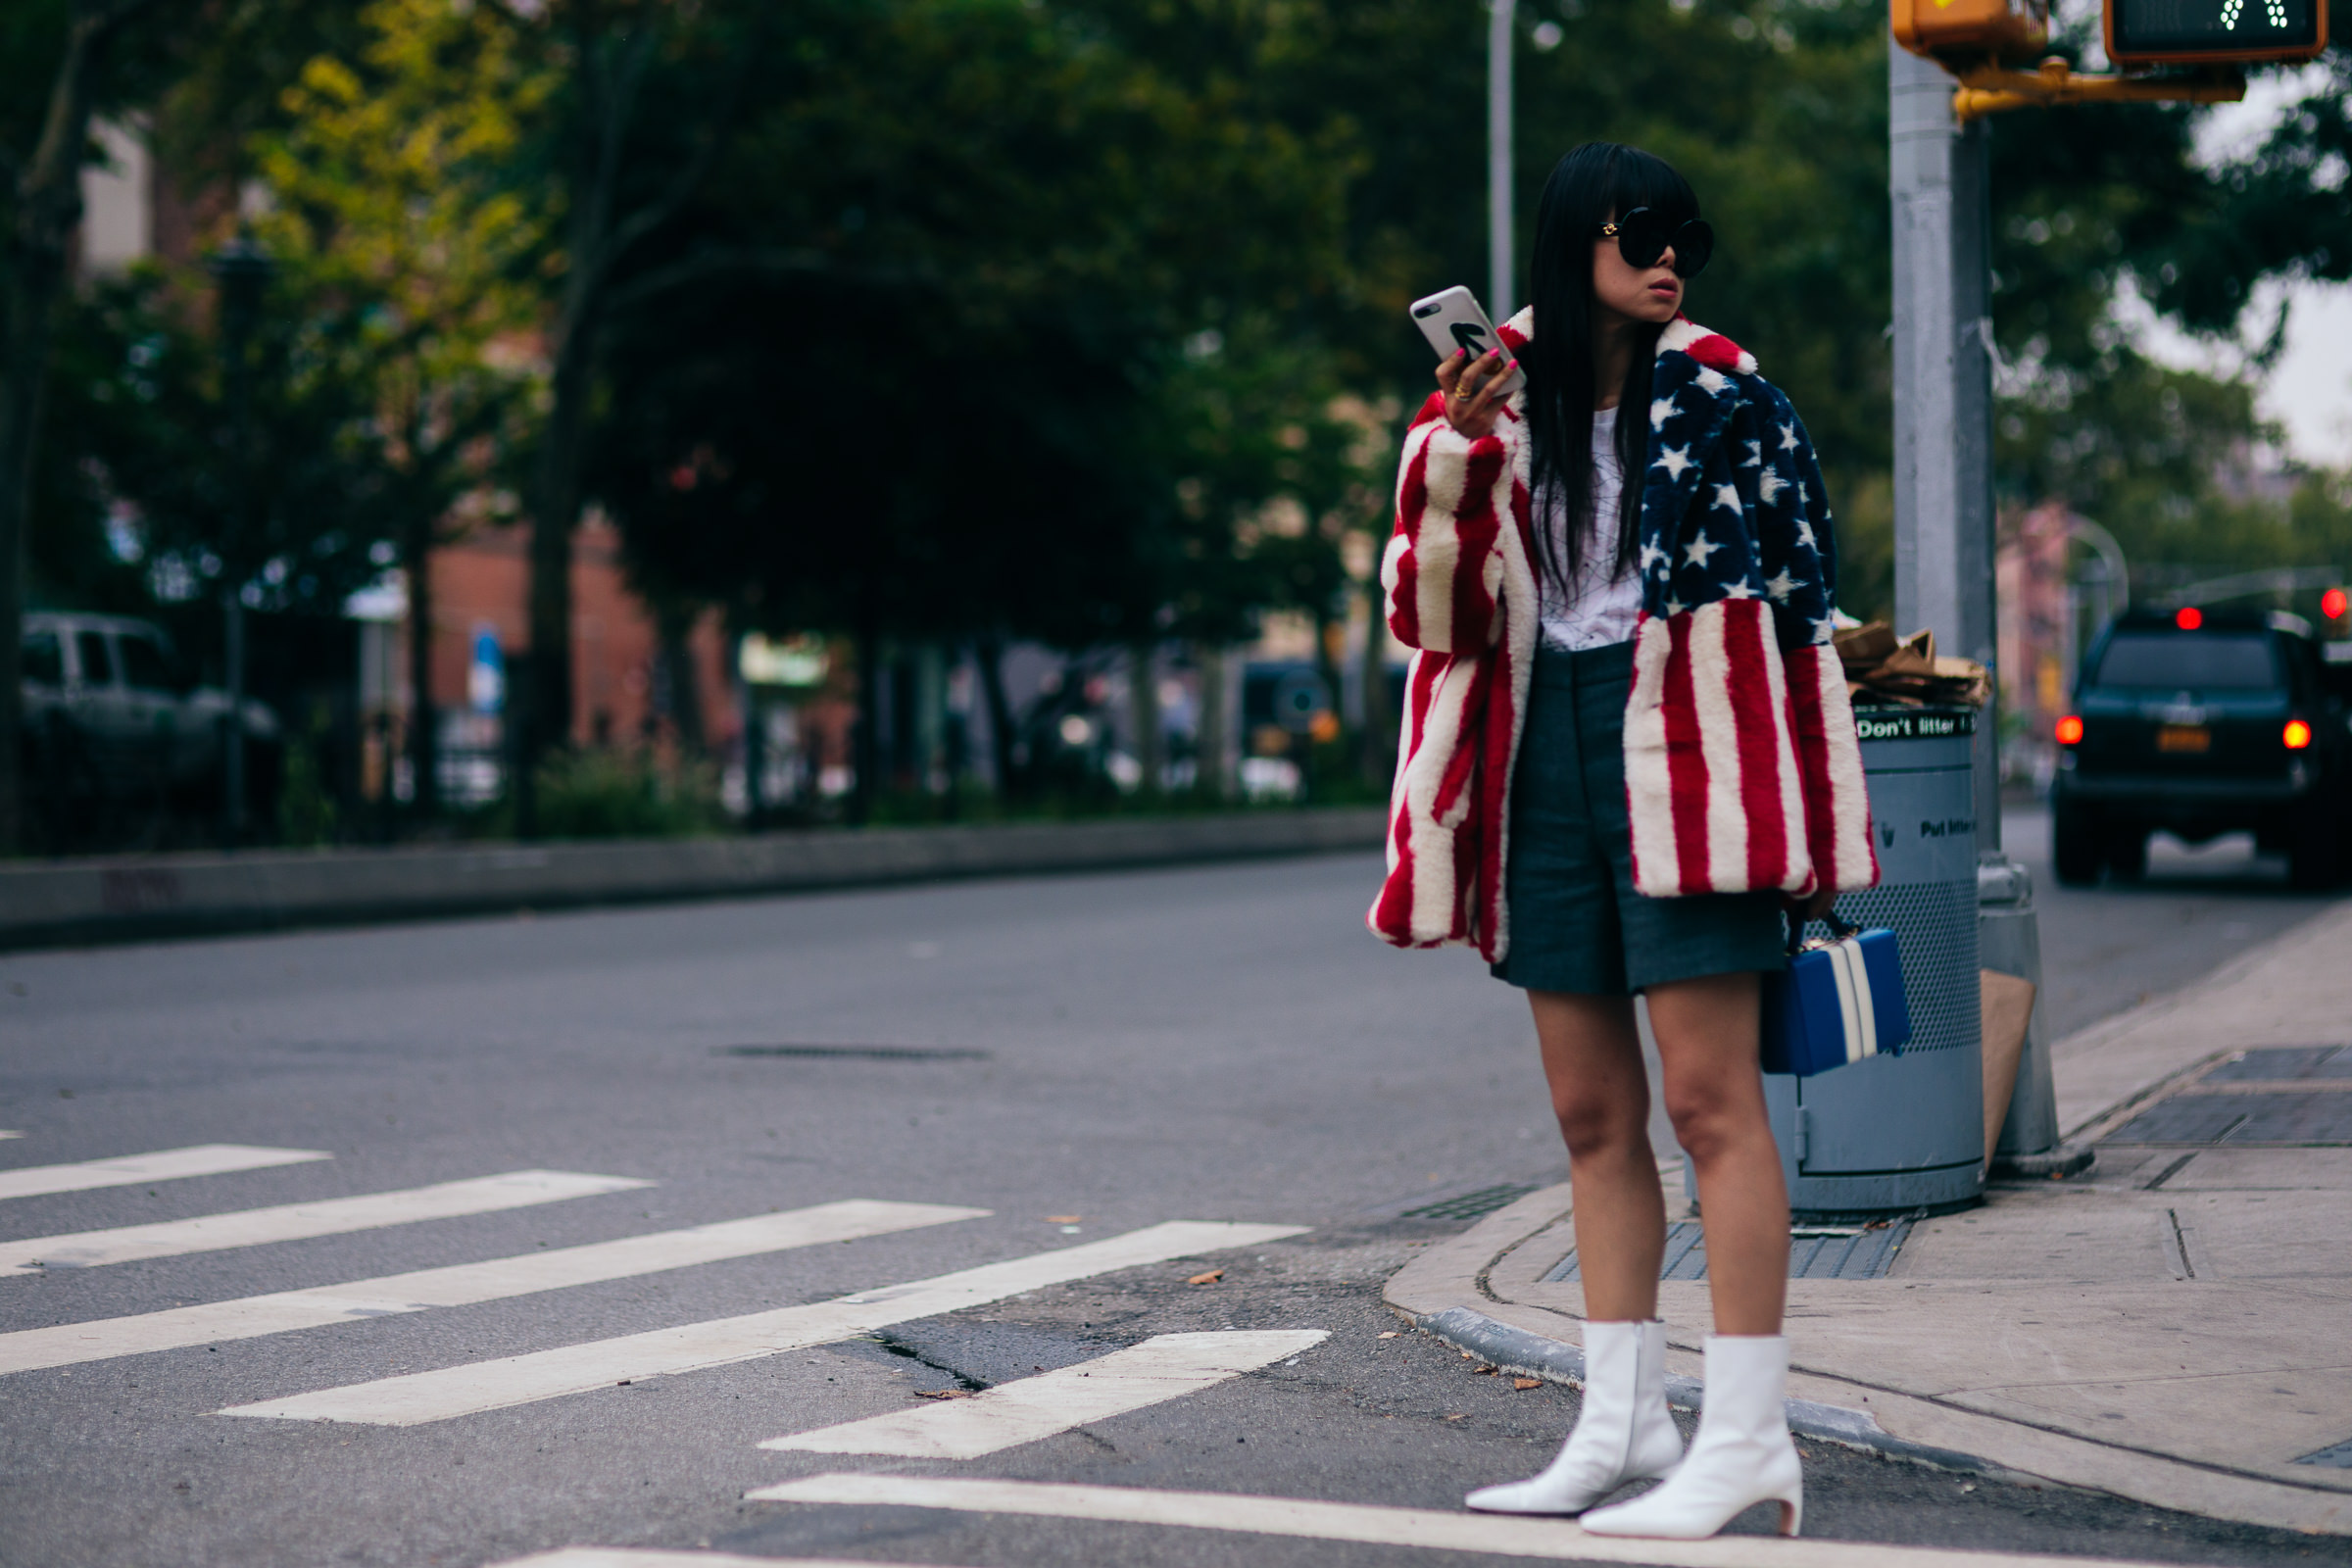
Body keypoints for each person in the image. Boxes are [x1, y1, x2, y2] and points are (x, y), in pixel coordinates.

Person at [1368, 141, 1877, 1541]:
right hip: (1541, 758)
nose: (1670, 257)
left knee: (1715, 1109)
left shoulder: (1726, 398)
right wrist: (1467, 456)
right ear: (1568, 245)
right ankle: (1619, 1423)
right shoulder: (1483, 411)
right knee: (1594, 1120)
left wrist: (1806, 830)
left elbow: (1794, 609)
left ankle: (1751, 1436)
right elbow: (1437, 619)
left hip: (1693, 754)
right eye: (1642, 231)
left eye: (1686, 237)